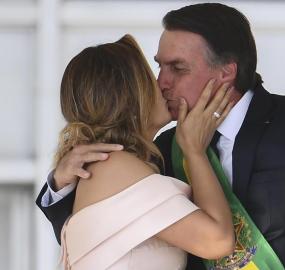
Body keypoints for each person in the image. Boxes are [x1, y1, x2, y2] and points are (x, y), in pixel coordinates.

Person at [37, 3, 285, 270]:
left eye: (177, 68)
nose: (162, 81)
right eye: (158, 67)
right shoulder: (162, 152)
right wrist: (59, 185)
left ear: (226, 72)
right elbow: (102, 236)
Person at [41, 34, 236, 269]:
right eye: (150, 78)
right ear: (132, 95)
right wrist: (195, 152)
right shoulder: (113, 166)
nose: (162, 84)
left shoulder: (118, 165)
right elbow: (217, 241)